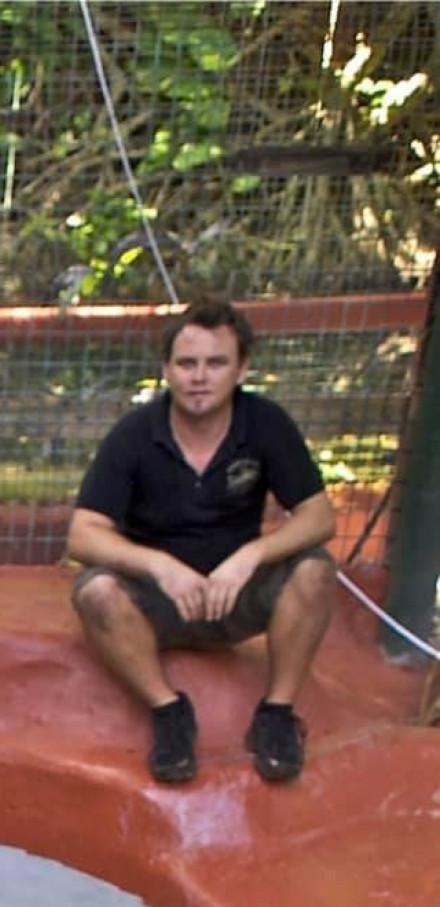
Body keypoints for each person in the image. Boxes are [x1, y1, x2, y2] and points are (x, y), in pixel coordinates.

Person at [66, 297, 337, 786]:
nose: (199, 376)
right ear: (166, 368)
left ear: (242, 369)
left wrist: (251, 556)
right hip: (159, 603)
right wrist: (159, 567)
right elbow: (83, 534)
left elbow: (318, 517)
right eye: (187, 363)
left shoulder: (266, 423)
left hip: (237, 594)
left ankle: (276, 715)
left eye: (216, 363)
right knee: (95, 590)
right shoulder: (134, 434)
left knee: (316, 569)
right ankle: (169, 713)